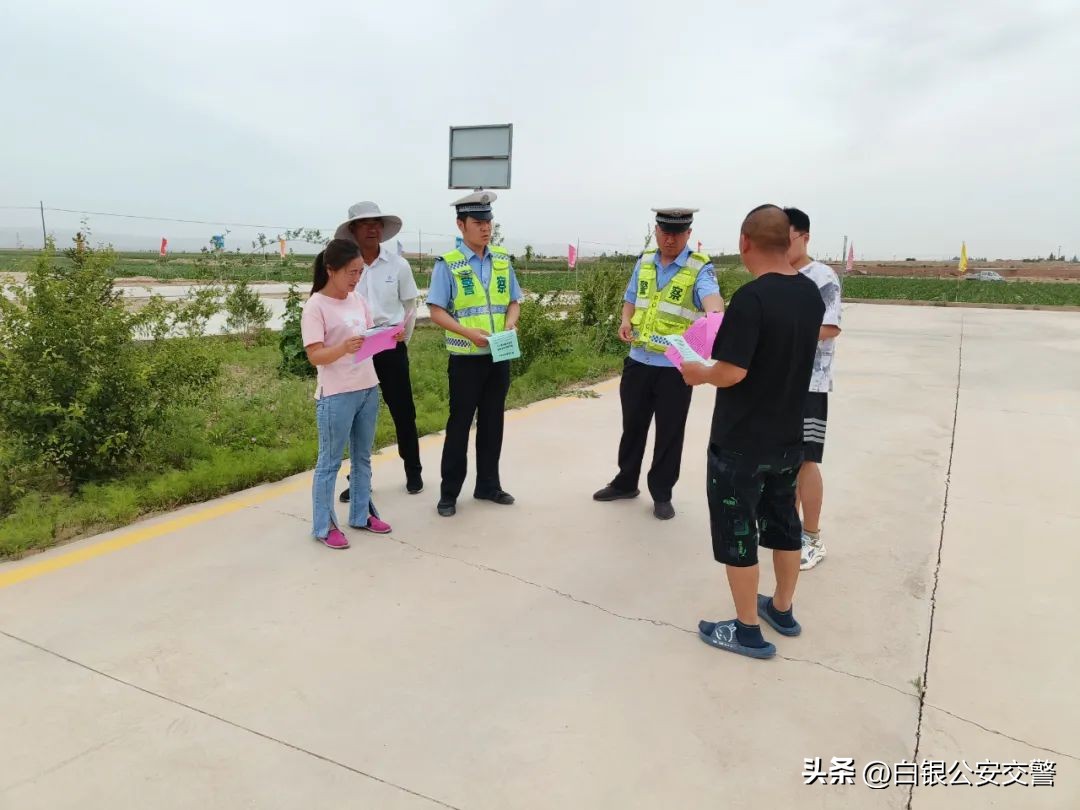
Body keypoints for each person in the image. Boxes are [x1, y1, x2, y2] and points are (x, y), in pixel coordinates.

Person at [682, 205, 824, 659]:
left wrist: (698, 372)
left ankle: (746, 630)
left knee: (737, 531)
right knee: (784, 523)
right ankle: (781, 608)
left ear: (745, 242)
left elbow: (732, 371)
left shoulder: (752, 299)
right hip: (789, 437)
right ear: (789, 241)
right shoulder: (810, 295)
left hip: (741, 443)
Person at [592, 207, 724, 520]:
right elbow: (631, 297)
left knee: (669, 433)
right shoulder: (645, 261)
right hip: (638, 361)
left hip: (675, 370)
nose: (670, 238)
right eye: (665, 231)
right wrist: (625, 320)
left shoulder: (699, 267)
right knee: (632, 426)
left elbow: (713, 302)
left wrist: (715, 317)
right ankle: (625, 482)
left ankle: (662, 493)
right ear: (656, 230)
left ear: (688, 234)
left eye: (677, 233)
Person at [426, 191, 522, 518]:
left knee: (493, 422)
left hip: (498, 357)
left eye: (488, 222)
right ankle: (449, 493)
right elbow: (436, 310)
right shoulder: (448, 264)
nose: (485, 228)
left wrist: (511, 324)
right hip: (466, 359)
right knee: (460, 425)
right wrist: (468, 333)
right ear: (461, 224)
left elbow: (513, 301)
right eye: (478, 223)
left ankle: (488, 486)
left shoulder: (501, 259)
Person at [301, 239, 393, 549]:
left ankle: (361, 515)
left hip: (367, 387)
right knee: (329, 462)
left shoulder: (358, 300)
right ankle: (325, 526)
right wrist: (343, 347)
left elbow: (366, 339)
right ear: (331, 270)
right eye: (351, 272)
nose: (356, 279)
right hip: (337, 394)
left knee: (363, 457)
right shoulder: (316, 306)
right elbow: (315, 356)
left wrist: (386, 336)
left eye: (360, 272)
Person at [332, 201, 424, 502]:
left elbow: (410, 305)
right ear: (353, 230)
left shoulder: (398, 265)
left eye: (377, 223)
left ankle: (413, 471)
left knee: (403, 411)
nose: (373, 228)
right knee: (356, 415)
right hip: (356, 349)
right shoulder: (347, 267)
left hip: (389, 346)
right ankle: (359, 480)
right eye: (365, 224)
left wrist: (401, 341)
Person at [783, 207, 842, 571]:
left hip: (809, 384)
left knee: (806, 460)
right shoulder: (777, 275)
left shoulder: (822, 276)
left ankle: (812, 537)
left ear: (804, 236)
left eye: (786, 239)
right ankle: (787, 529)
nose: (781, 246)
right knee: (784, 460)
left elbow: (830, 327)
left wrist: (782, 335)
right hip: (779, 383)